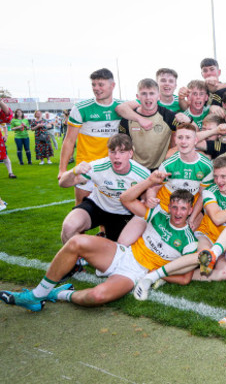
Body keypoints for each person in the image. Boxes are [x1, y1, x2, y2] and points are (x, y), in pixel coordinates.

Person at [0, 173, 198, 311]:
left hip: (136, 272)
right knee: (76, 242)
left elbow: (184, 278)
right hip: (123, 253)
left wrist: (152, 274)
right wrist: (148, 182)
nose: (177, 213)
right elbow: (126, 199)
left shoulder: (189, 242)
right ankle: (36, 295)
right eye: (174, 207)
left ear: (190, 210)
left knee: (96, 297)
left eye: (183, 209)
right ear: (169, 207)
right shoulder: (158, 214)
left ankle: (57, 295)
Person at [58, 134, 150, 243]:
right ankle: (77, 259)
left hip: (123, 213)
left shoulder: (142, 174)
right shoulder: (97, 167)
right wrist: (74, 171)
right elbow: (63, 183)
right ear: (108, 153)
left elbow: (146, 200)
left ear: (130, 154)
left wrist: (149, 200)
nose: (116, 156)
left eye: (122, 152)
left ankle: (105, 239)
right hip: (98, 206)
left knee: (119, 249)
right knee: (69, 227)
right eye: (112, 152)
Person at [59, 68, 122, 205]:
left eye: (101, 84)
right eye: (94, 84)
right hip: (86, 167)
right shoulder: (81, 108)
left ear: (112, 85)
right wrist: (62, 170)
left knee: (108, 212)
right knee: (81, 209)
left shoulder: (122, 108)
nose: (96, 88)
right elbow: (69, 141)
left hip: (111, 168)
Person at [117, 78, 180, 171]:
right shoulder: (128, 118)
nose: (148, 97)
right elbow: (122, 146)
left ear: (158, 96)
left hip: (160, 169)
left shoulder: (168, 116)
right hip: (135, 169)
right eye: (144, 94)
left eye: (151, 93)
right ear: (137, 96)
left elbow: (191, 131)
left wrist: (189, 120)